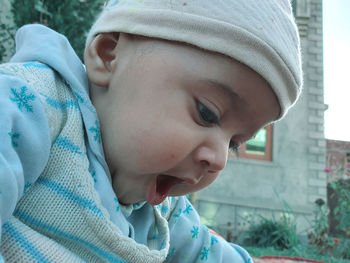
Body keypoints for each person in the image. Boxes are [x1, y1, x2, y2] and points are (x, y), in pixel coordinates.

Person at [0, 0, 302, 262]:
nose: (220, 159)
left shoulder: (164, 214)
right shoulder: (33, 103)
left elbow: (207, 254)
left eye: (235, 143)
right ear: (109, 55)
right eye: (207, 113)